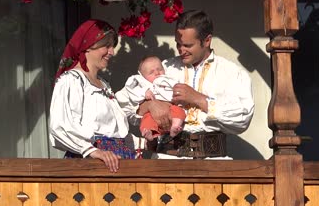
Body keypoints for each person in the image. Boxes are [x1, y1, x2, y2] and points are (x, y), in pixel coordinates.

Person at [124, 10, 254, 159]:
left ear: (207, 40)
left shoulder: (231, 72)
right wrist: (150, 105)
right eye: (178, 44)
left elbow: (243, 118)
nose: (181, 50)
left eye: (187, 45)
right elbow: (127, 106)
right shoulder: (164, 69)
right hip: (167, 161)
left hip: (213, 163)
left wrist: (197, 98)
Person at [49, 19, 136, 172]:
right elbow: (60, 125)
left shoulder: (104, 84)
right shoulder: (72, 80)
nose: (112, 52)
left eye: (112, 47)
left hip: (118, 160)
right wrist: (91, 151)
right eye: (107, 46)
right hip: (91, 165)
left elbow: (114, 130)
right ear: (88, 45)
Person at [116, 55, 186, 141]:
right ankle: (149, 133)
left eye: (159, 69)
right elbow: (130, 89)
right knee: (147, 119)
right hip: (151, 113)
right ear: (142, 76)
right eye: (151, 72)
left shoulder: (168, 79)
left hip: (171, 106)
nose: (157, 73)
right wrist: (144, 93)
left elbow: (176, 88)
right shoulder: (142, 83)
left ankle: (175, 126)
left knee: (179, 111)